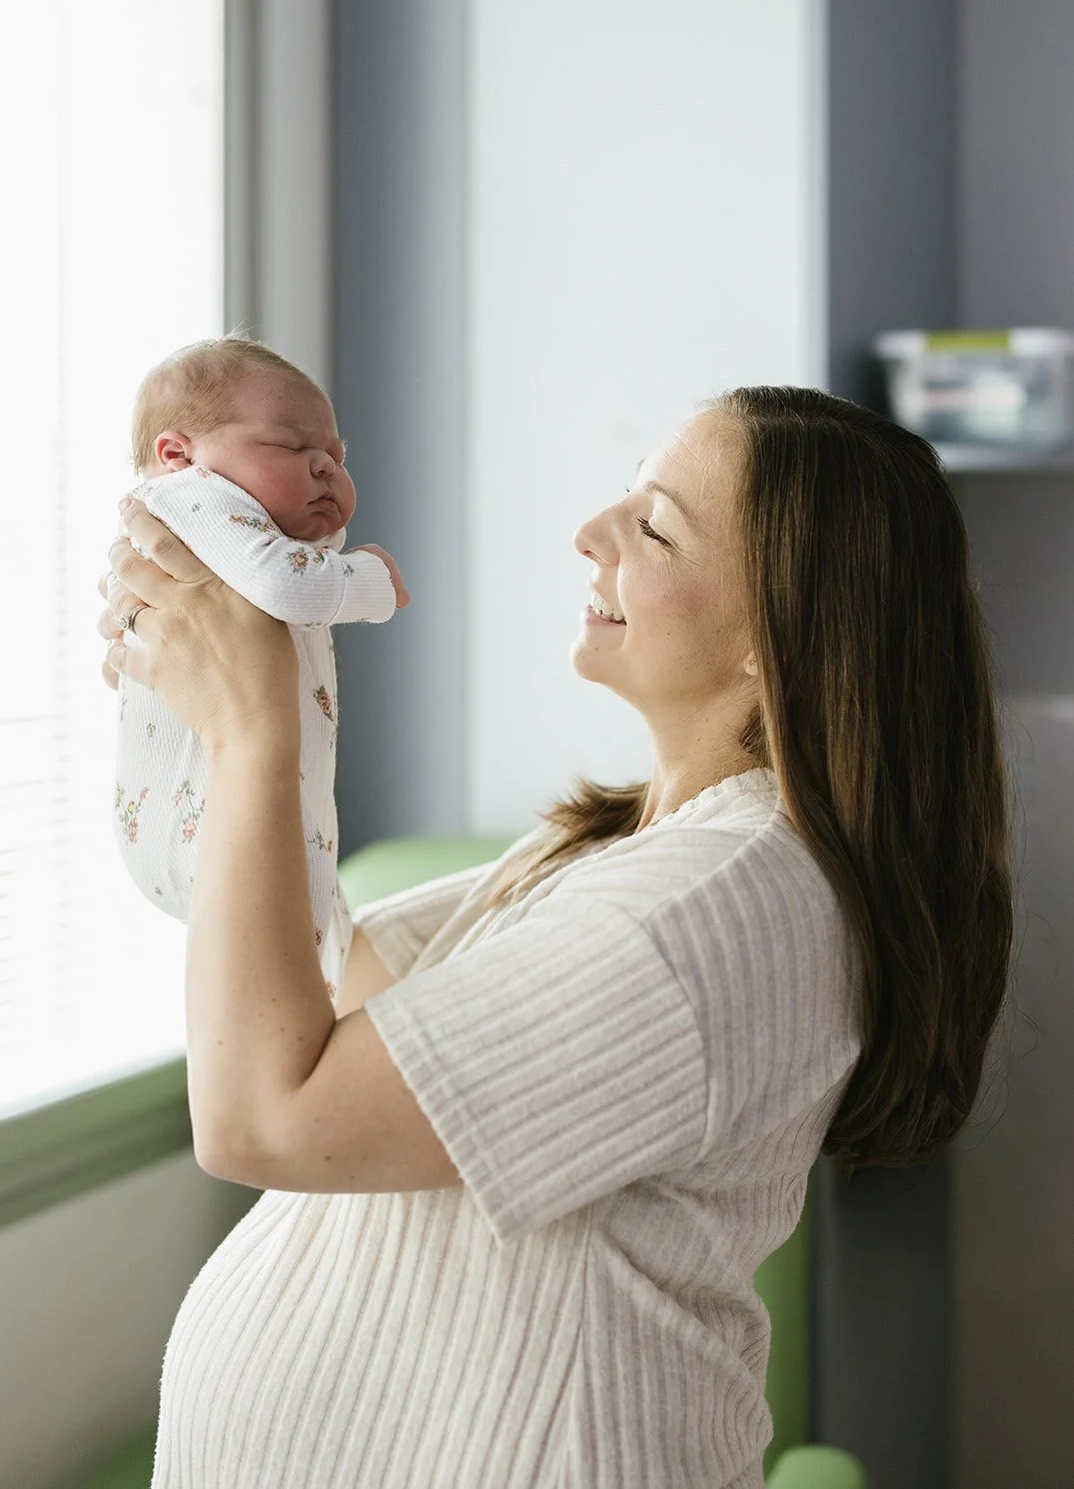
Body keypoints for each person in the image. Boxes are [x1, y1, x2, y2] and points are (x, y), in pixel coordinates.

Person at [99, 385, 1014, 1489]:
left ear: (778, 637)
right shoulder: (634, 847)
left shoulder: (709, 906)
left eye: (655, 524)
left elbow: (262, 1116)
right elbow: (316, 975)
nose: (591, 533)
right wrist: (231, 670)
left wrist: (253, 727)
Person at [112, 336, 409, 997]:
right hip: (207, 818)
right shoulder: (190, 497)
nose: (327, 470)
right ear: (177, 453)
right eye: (292, 449)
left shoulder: (245, 531)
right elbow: (289, 589)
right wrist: (371, 580)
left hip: (211, 815)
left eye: (336, 457)